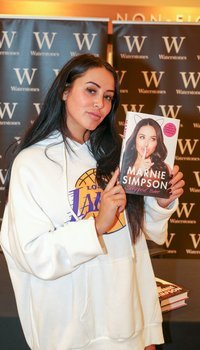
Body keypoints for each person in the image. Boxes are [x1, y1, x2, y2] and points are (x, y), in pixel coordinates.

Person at [0, 53, 184, 350]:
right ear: (64, 91)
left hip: (128, 325)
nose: (101, 103)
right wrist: (96, 226)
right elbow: (32, 253)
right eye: (91, 90)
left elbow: (138, 235)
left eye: (109, 97)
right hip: (69, 333)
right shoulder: (32, 163)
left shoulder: (116, 156)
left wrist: (162, 202)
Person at [120, 117, 172, 198]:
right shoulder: (122, 162)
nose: (146, 144)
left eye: (152, 139)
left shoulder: (164, 169)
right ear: (135, 139)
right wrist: (139, 172)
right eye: (142, 137)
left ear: (157, 143)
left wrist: (164, 203)